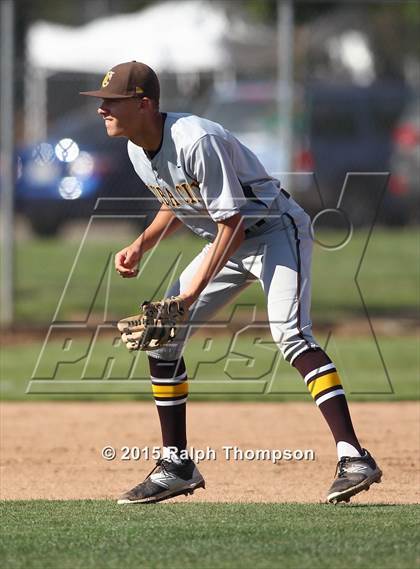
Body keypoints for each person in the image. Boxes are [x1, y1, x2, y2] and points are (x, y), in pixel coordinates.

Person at [81, 61, 382, 505]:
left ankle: (354, 456)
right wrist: (142, 245)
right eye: (103, 101)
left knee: (292, 336)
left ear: (143, 104)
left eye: (113, 102)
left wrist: (188, 295)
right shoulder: (135, 146)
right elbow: (180, 199)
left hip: (276, 230)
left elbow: (233, 223)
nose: (103, 109)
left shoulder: (196, 139)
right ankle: (175, 466)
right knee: (162, 342)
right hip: (229, 239)